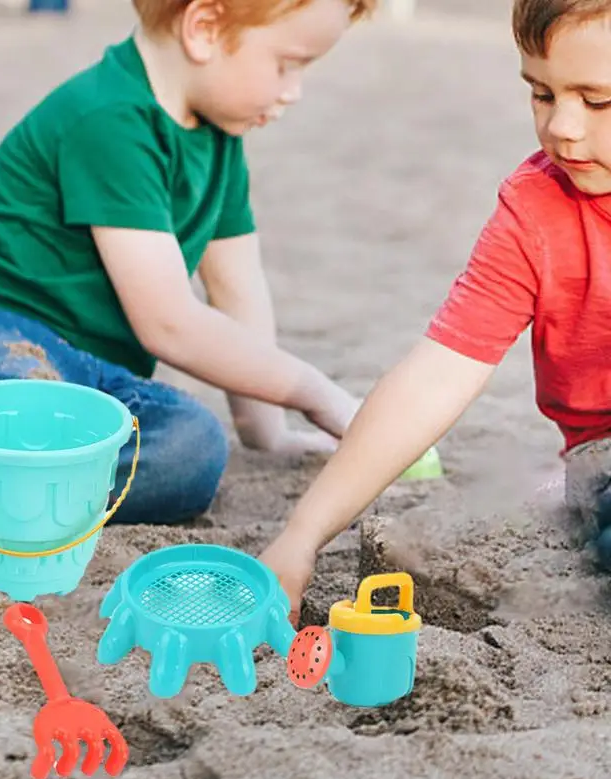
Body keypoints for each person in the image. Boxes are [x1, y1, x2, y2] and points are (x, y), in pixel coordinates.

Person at [0, 0, 383, 529]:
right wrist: (313, 391)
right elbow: (167, 322)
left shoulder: (218, 142)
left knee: (188, 447)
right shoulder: (109, 117)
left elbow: (239, 291)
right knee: (27, 439)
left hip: (81, 379)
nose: (295, 92)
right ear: (204, 28)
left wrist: (268, 430)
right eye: (288, 64)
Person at [261, 0, 611, 625]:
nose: (561, 126)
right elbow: (436, 376)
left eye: (598, 101)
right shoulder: (536, 214)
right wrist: (301, 535)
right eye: (541, 93)